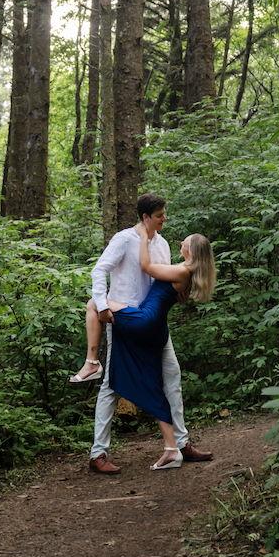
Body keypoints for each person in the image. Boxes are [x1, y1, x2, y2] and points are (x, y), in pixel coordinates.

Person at [71, 193, 217, 473]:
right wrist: (102, 305)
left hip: (153, 324)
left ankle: (181, 443)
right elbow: (99, 270)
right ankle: (98, 453)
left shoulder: (161, 244)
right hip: (124, 319)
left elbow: (162, 280)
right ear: (146, 217)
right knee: (112, 386)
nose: (165, 219)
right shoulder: (125, 239)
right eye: (160, 215)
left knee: (171, 378)